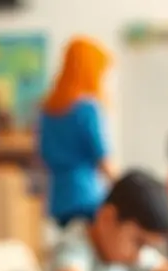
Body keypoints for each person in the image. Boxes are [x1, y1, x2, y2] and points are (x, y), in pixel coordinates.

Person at [38, 37, 115, 229]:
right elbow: (102, 158)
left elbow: (43, 155)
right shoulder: (87, 108)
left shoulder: (47, 109)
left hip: (58, 198)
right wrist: (127, 187)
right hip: (86, 195)